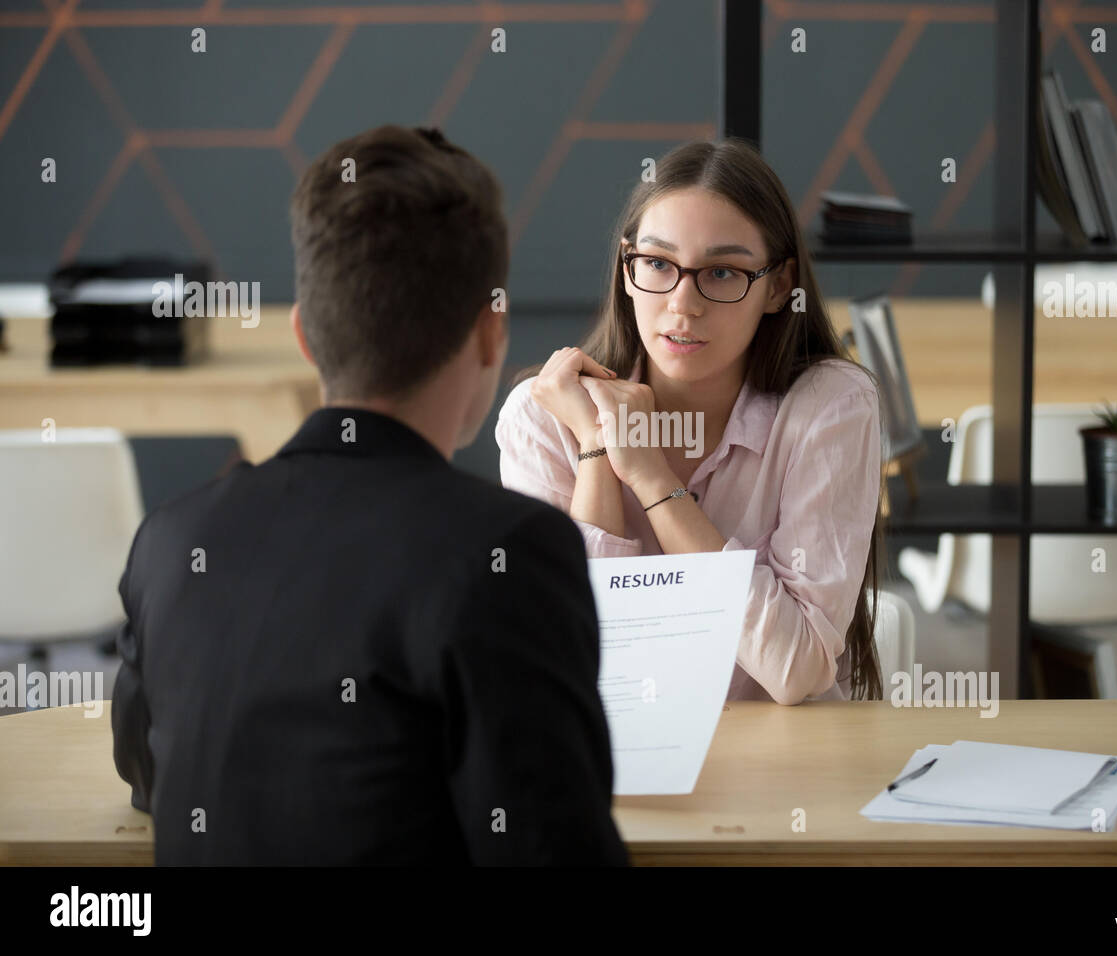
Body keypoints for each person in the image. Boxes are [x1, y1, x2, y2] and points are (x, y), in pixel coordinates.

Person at [111, 125, 627, 866]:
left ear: (306, 337)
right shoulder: (508, 553)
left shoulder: (171, 541)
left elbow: (147, 774)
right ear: (491, 335)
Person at [496, 139, 885, 706]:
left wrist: (654, 480)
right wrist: (598, 451)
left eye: (723, 272)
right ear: (627, 270)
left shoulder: (829, 405)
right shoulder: (542, 417)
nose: (683, 304)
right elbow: (575, 661)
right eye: (657, 263)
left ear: (778, 287)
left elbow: (798, 667)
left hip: (788, 774)